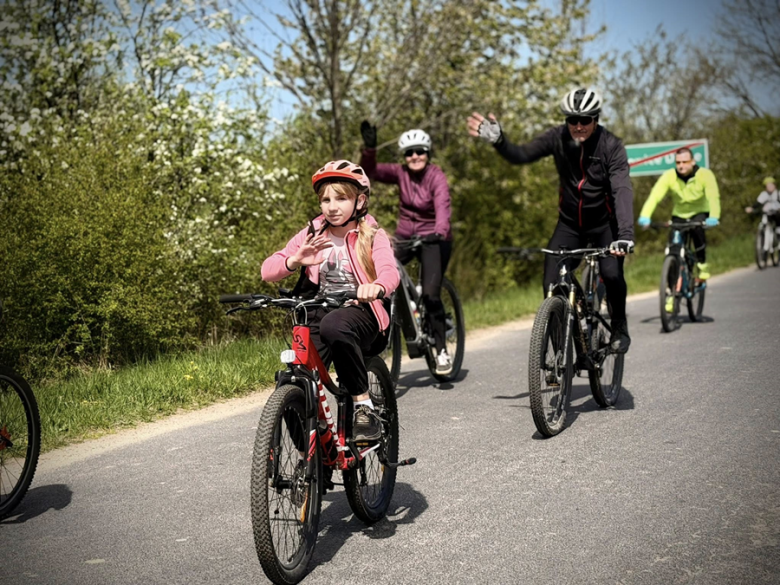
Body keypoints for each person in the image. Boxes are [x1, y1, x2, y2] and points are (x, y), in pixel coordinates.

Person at [467, 87, 634, 353]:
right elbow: (522, 155)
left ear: (596, 119)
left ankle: (619, 325)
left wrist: (625, 235)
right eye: (572, 120)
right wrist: (500, 141)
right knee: (551, 282)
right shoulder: (556, 138)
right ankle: (561, 354)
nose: (578, 126)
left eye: (585, 120)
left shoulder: (611, 146)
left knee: (612, 274)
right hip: (570, 224)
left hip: (605, 225)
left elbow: (621, 189)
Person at [261, 160, 400, 441]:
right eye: (325, 199)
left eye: (341, 198)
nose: (331, 206)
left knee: (335, 325)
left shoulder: (372, 235)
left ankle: (363, 406)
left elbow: (389, 271)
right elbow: (267, 270)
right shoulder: (313, 232)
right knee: (292, 379)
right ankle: (312, 454)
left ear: (360, 201)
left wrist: (376, 286)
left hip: (361, 312)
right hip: (319, 312)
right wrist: (294, 260)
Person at [359, 121, 455, 374]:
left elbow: (443, 205)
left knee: (432, 295)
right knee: (379, 274)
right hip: (404, 236)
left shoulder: (436, 176)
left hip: (434, 237)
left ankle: (442, 351)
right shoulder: (400, 173)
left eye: (420, 151)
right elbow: (369, 172)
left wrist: (439, 231)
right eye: (409, 153)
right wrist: (370, 148)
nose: (415, 156)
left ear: (428, 153)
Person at [638, 147, 721, 286]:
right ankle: (670, 290)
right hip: (679, 215)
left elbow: (713, 197)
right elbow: (655, 196)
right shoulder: (669, 176)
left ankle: (702, 266)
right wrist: (645, 215)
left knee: (697, 232)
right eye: (678, 162)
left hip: (699, 213)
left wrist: (714, 216)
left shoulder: (705, 175)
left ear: (693, 162)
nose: (681, 166)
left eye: (684, 162)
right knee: (673, 248)